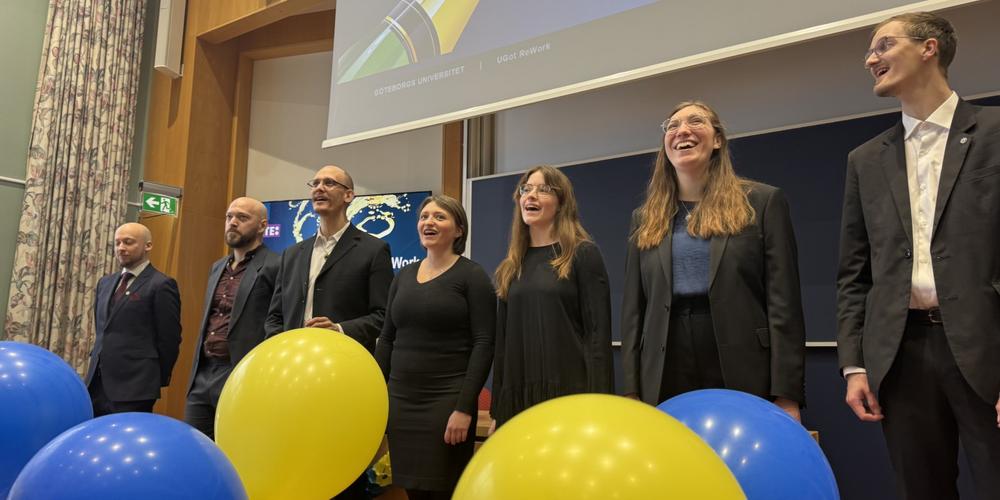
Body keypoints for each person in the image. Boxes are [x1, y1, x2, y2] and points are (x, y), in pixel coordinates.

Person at [838, 12, 1000, 499]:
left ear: (930, 48)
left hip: (987, 346)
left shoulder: (995, 131)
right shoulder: (865, 160)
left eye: (884, 45)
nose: (871, 58)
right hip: (900, 355)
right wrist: (855, 364)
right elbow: (854, 272)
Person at [620, 101, 806, 420]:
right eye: (672, 125)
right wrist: (631, 389)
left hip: (741, 358)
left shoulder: (762, 203)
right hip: (665, 360)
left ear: (718, 139)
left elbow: (783, 304)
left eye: (696, 121)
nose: (683, 130)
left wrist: (787, 394)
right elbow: (633, 311)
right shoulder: (644, 218)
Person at [264, 164, 393, 500]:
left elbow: (383, 316)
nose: (319, 188)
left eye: (330, 183)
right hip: (292, 377)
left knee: (339, 468)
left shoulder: (373, 250)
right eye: (316, 182)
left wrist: (339, 329)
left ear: (348, 196)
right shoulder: (292, 253)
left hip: (342, 380)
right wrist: (279, 350)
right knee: (293, 461)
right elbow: (275, 316)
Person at [374, 195, 495, 500]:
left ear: (458, 230)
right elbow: (387, 339)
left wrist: (464, 408)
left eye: (439, 217)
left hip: (446, 402)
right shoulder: (401, 277)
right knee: (412, 491)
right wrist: (377, 398)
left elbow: (484, 343)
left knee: (444, 491)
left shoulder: (472, 276)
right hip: (401, 402)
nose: (428, 222)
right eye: (424, 216)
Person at [490, 165, 613, 429]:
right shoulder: (511, 267)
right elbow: (502, 345)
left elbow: (597, 337)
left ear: (561, 203)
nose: (531, 196)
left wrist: (599, 404)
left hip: (570, 397)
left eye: (543, 189)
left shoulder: (583, 254)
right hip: (518, 401)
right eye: (526, 189)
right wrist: (497, 410)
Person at [184, 197, 280, 439]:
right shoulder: (217, 267)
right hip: (203, 373)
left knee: (234, 449)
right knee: (197, 451)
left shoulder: (276, 265)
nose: (233, 222)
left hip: (240, 373)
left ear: (262, 226)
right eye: (229, 217)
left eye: (242, 217)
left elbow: (277, 324)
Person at [85, 222, 181, 416]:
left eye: (128, 242)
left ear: (148, 246)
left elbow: (169, 339)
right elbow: (103, 329)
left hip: (135, 386)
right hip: (97, 383)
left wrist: (154, 378)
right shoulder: (105, 283)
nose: (121, 248)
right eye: (117, 243)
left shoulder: (161, 285)